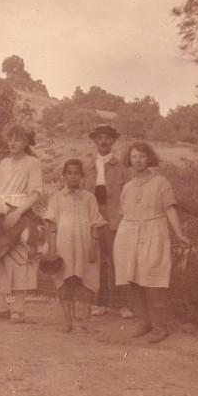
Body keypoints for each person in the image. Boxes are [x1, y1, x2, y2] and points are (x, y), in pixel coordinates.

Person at [113, 142, 190, 343]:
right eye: (134, 157)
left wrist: (179, 234)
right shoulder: (128, 187)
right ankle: (144, 322)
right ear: (129, 160)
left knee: (154, 280)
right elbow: (124, 214)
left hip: (154, 233)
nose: (138, 160)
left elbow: (170, 209)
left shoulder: (160, 182)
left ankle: (160, 327)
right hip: (129, 234)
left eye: (142, 156)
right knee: (132, 279)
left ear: (149, 159)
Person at [0, 124, 43, 323]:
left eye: (17, 139)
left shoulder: (32, 163)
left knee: (20, 259)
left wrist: (17, 213)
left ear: (25, 142)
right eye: (10, 139)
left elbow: (35, 194)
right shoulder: (4, 163)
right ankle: (1, 306)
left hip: (21, 213)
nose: (12, 143)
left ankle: (18, 309)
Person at [44, 159, 109, 332]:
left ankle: (86, 321)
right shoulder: (57, 198)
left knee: (88, 280)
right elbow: (52, 225)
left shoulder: (89, 198)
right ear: (64, 175)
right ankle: (68, 322)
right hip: (63, 245)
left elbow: (95, 223)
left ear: (82, 176)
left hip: (85, 245)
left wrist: (93, 246)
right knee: (64, 280)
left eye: (76, 173)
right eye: (69, 173)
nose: (73, 177)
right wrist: (52, 248)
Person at [84, 123, 134, 319]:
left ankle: (122, 304)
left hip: (115, 217)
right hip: (94, 217)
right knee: (99, 262)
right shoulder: (87, 167)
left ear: (113, 141)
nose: (103, 141)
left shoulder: (122, 168)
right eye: (100, 138)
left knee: (118, 260)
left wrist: (124, 218)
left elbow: (129, 195)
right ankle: (101, 303)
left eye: (107, 138)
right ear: (95, 141)